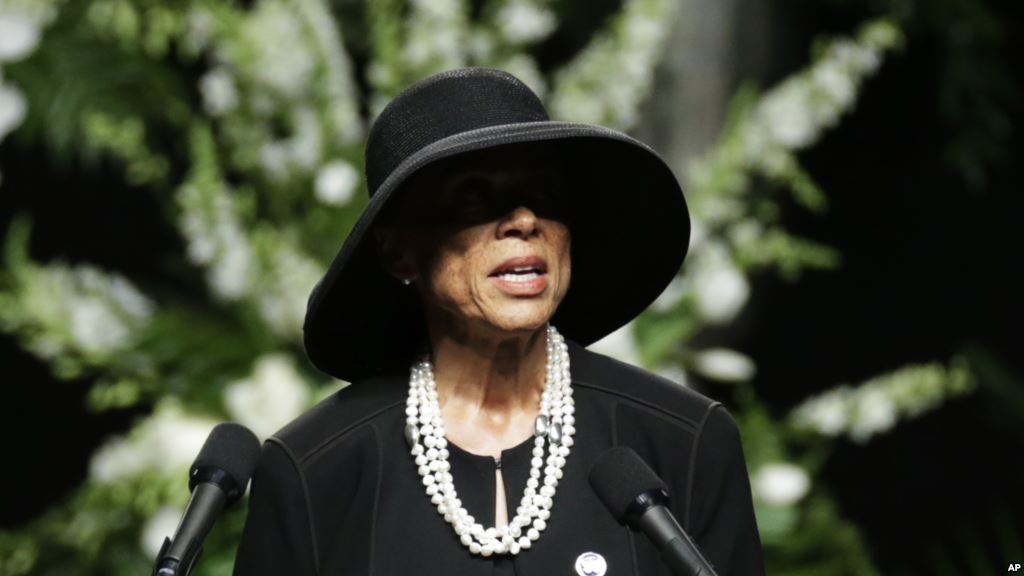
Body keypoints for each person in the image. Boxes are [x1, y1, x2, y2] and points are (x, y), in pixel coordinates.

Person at [232, 67, 765, 576]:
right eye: (474, 196)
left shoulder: (683, 439)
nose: (525, 220)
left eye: (545, 196)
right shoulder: (316, 468)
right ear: (399, 253)